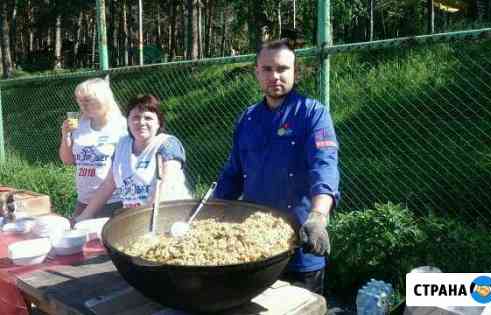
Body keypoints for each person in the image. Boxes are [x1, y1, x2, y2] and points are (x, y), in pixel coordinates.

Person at [214, 39, 340, 295]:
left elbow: (324, 166)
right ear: (257, 72)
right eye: (267, 69)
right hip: (253, 248)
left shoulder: (312, 113)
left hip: (300, 246)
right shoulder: (247, 118)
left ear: (295, 72)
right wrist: (209, 215)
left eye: (283, 69)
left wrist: (318, 217)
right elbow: (233, 174)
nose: (275, 76)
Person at [74, 94, 192, 222]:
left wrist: (148, 219)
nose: (141, 123)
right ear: (128, 122)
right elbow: (108, 184)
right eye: (135, 117)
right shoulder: (122, 145)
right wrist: (85, 216)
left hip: (170, 216)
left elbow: (167, 185)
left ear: (159, 123)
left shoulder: (167, 144)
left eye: (148, 118)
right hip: (135, 218)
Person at [59, 77, 128, 219]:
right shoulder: (80, 124)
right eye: (79, 100)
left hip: (113, 202)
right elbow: (67, 160)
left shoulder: (121, 126)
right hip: (83, 200)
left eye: (88, 100)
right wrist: (65, 135)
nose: (82, 105)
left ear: (103, 99)